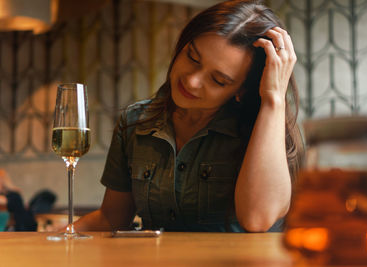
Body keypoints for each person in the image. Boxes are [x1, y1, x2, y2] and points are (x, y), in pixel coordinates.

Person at [74, 0, 303, 232]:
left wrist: (274, 98)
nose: (192, 81)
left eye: (218, 80)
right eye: (192, 57)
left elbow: (257, 219)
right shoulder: (134, 121)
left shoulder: (266, 129)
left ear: (241, 91)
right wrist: (49, 241)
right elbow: (111, 218)